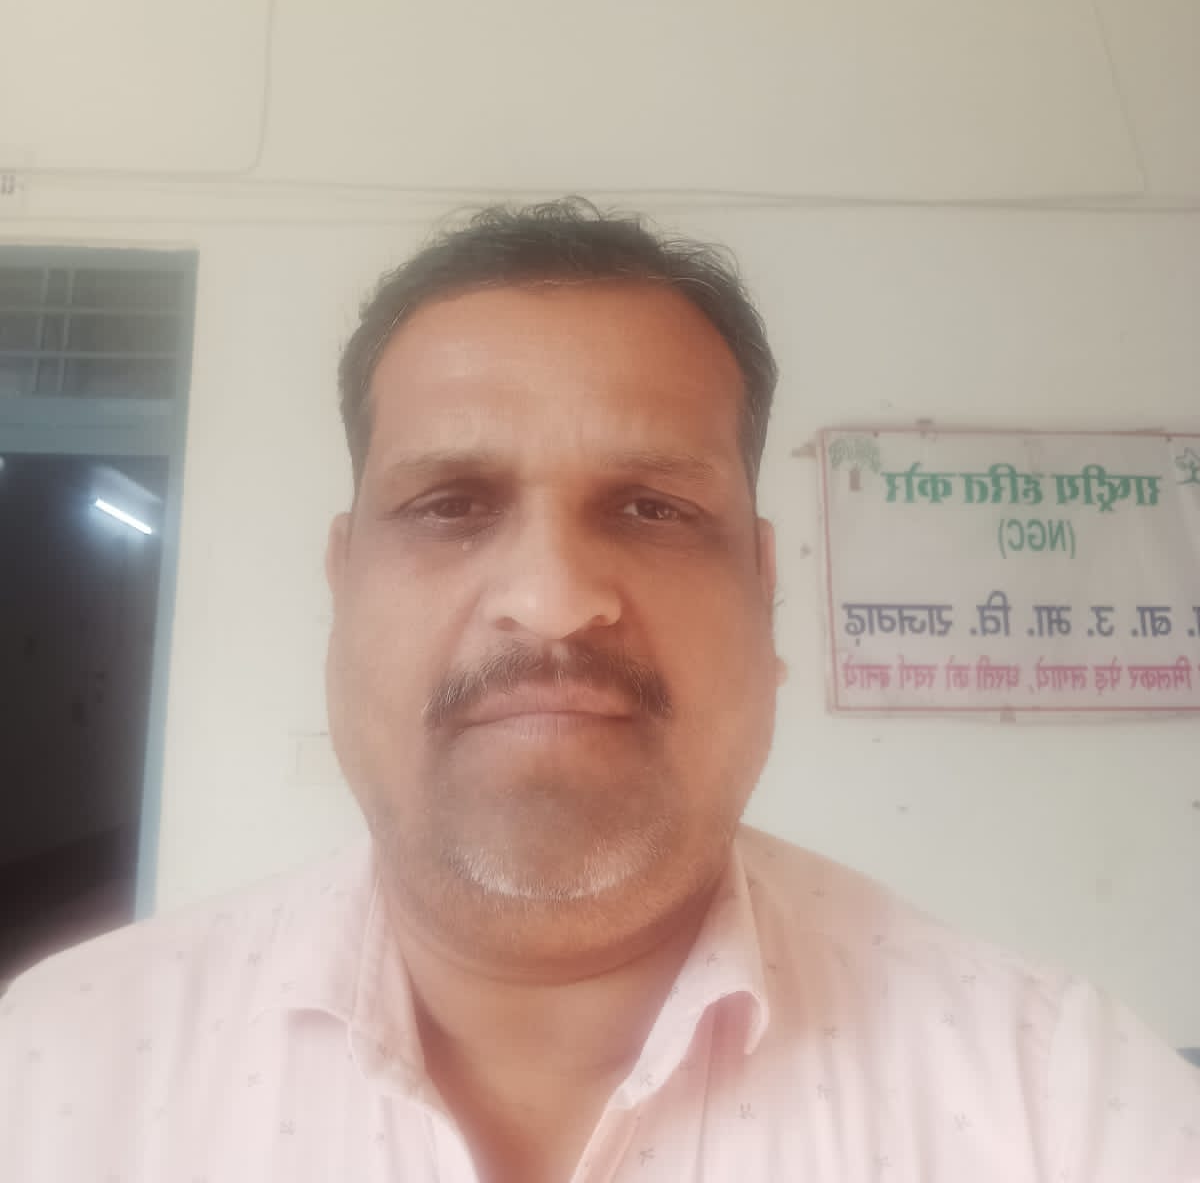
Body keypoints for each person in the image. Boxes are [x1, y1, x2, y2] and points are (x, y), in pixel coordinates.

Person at [1, 199, 1197, 1182]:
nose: (553, 598)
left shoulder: (1059, 1100)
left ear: (766, 590)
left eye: (652, 507)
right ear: (341, 584)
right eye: (451, 504)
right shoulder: (52, 1071)